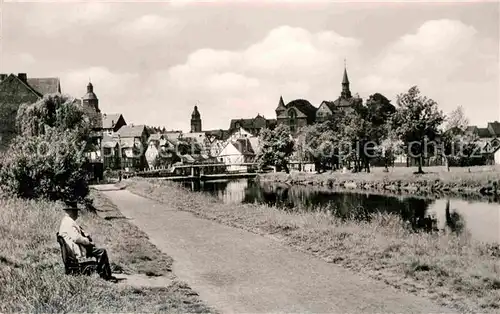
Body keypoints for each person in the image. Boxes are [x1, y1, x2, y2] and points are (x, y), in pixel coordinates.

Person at [58, 200, 118, 282]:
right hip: (76, 250)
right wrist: (87, 241)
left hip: (74, 249)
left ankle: (105, 274)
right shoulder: (69, 223)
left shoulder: (66, 221)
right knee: (102, 252)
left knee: (99, 251)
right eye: (75, 211)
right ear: (70, 211)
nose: (77, 214)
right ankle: (105, 276)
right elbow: (76, 238)